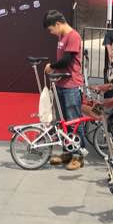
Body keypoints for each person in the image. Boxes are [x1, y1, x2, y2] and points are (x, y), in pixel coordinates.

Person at [43, 10, 86, 171]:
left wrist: (51, 66)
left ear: (58, 24)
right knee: (64, 123)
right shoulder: (62, 36)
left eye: (51, 29)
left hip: (71, 86)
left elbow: (67, 60)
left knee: (74, 122)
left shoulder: (73, 36)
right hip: (61, 84)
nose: (52, 33)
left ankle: (78, 157)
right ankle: (67, 153)